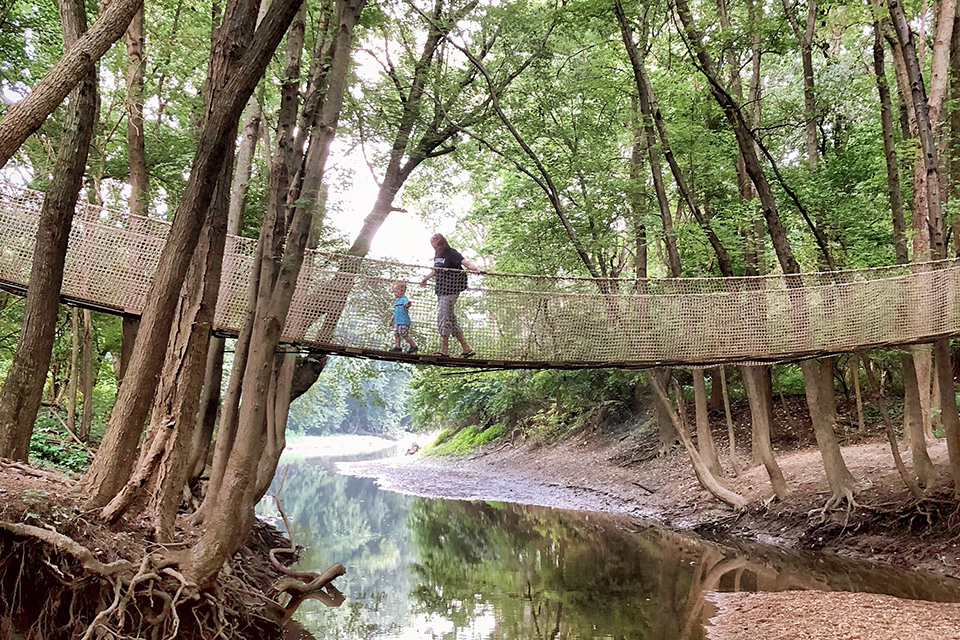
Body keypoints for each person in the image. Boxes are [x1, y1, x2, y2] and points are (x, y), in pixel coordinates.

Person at [419, 233, 483, 357]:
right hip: (441, 290)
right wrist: (425, 278)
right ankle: (466, 348)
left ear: (441, 244)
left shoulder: (451, 253)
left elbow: (466, 263)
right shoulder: (437, 255)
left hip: (452, 289)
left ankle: (444, 351)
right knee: (450, 319)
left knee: (443, 317)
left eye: (436, 246)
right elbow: (435, 270)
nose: (434, 248)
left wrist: (477, 269)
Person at [390, 280, 418, 353]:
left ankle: (413, 346)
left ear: (402, 291)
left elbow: (406, 305)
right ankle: (398, 347)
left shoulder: (404, 299)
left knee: (404, 334)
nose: (394, 294)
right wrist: (391, 319)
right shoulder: (397, 301)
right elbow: (396, 311)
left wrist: (407, 304)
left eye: (395, 292)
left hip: (403, 321)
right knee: (396, 334)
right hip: (397, 321)